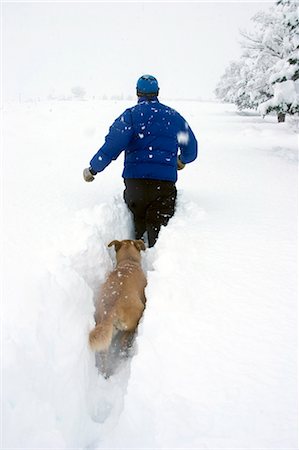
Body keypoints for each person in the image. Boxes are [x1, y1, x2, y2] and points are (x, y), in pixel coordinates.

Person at [83, 75, 198, 247]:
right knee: (158, 232)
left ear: (137, 92)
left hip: (135, 185)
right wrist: (181, 161)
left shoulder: (130, 116)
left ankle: (136, 252)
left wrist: (93, 169)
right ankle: (158, 263)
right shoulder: (174, 117)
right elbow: (192, 149)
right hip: (164, 186)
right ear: (157, 92)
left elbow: (111, 147)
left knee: (138, 224)